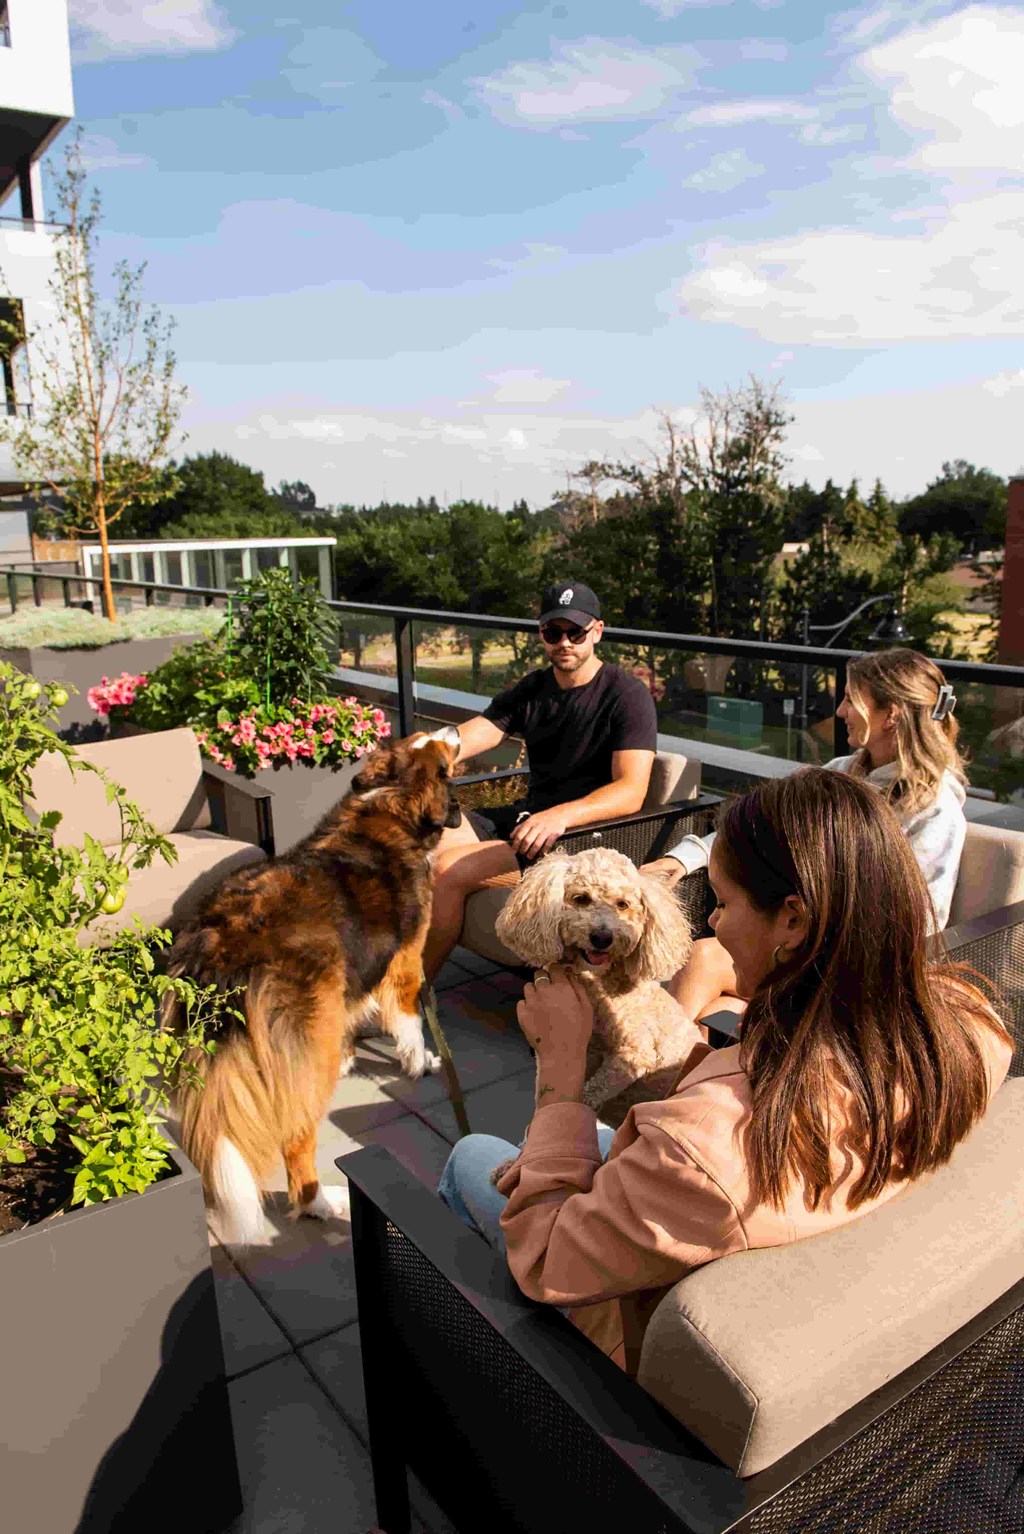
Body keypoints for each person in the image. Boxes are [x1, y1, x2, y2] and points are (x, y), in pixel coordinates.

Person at [438, 770, 1011, 1373]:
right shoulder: (969, 1025)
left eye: (725, 902)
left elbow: (548, 1260)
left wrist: (561, 1071)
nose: (711, 922)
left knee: (472, 1153)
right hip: (805, 1297)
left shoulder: (705, 1147)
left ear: (792, 921)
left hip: (632, 1356)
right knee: (539, 1146)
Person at [644, 647, 969, 1024]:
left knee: (703, 962)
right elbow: (760, 823)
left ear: (891, 714)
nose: (841, 712)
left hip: (850, 968)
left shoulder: (936, 809)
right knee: (715, 1007)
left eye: (851, 699)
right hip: (797, 938)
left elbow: (921, 921)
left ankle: (660, 1076)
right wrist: (682, 860)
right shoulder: (844, 772)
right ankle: (679, 1078)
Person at [422, 580, 657, 981]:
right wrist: (426, 748)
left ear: (597, 632)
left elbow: (631, 790)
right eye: (554, 632)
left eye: (576, 632)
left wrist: (561, 816)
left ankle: (408, 996)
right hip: (528, 823)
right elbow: (484, 730)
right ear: (541, 635)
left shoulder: (627, 696)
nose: (564, 642)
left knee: (446, 870)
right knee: (414, 836)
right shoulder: (535, 688)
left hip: (580, 840)